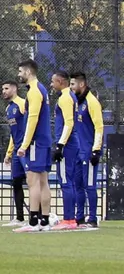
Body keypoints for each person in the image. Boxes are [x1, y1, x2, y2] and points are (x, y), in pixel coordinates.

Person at [13, 59, 52, 232]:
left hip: (36, 142)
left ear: (28, 72)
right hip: (44, 140)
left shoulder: (35, 91)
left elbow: (32, 119)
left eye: (20, 71)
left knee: (33, 181)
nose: (19, 74)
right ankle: (44, 221)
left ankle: (34, 221)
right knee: (43, 181)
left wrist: (24, 145)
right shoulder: (40, 89)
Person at [67, 71, 104, 230]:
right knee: (78, 185)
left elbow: (99, 127)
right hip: (78, 152)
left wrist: (96, 150)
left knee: (90, 185)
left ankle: (93, 218)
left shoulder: (92, 102)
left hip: (88, 152)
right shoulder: (77, 102)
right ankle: (79, 217)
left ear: (82, 84)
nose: (71, 87)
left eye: (73, 84)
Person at [49, 70, 78, 230]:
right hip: (70, 143)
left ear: (60, 81)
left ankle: (68, 219)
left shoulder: (65, 98)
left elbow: (69, 123)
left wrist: (60, 145)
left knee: (65, 181)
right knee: (70, 181)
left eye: (53, 81)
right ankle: (71, 218)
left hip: (67, 145)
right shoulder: (69, 96)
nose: (51, 85)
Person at [0, 81, 28, 226]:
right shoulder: (8, 108)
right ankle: (20, 218)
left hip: (27, 149)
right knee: (16, 182)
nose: (4, 91)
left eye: (6, 88)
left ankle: (42, 216)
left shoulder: (22, 104)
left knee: (33, 181)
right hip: (17, 150)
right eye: (2, 89)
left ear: (15, 89)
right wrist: (9, 152)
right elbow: (13, 133)